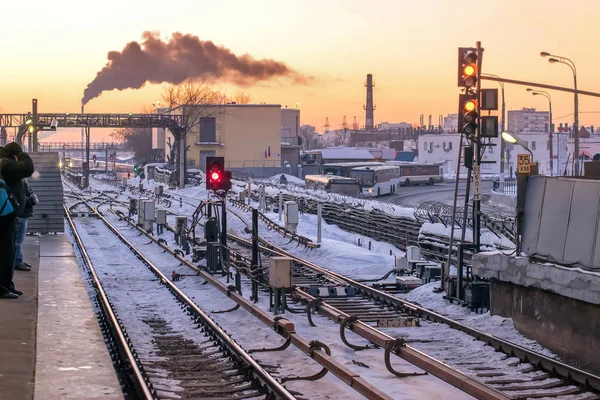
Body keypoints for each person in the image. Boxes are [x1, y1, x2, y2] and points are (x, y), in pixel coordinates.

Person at [0, 143, 35, 299]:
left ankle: (7, 286)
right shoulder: (5, 164)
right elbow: (28, 168)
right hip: (4, 217)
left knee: (9, 253)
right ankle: (2, 288)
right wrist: (20, 152)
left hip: (8, 216)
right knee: (5, 254)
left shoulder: (5, 164)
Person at [14, 180, 38, 272]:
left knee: (19, 240)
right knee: (18, 241)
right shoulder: (18, 180)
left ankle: (19, 259)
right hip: (21, 214)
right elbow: (20, 196)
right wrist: (30, 201)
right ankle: (17, 262)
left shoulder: (21, 179)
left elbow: (27, 192)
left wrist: (31, 197)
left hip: (23, 213)